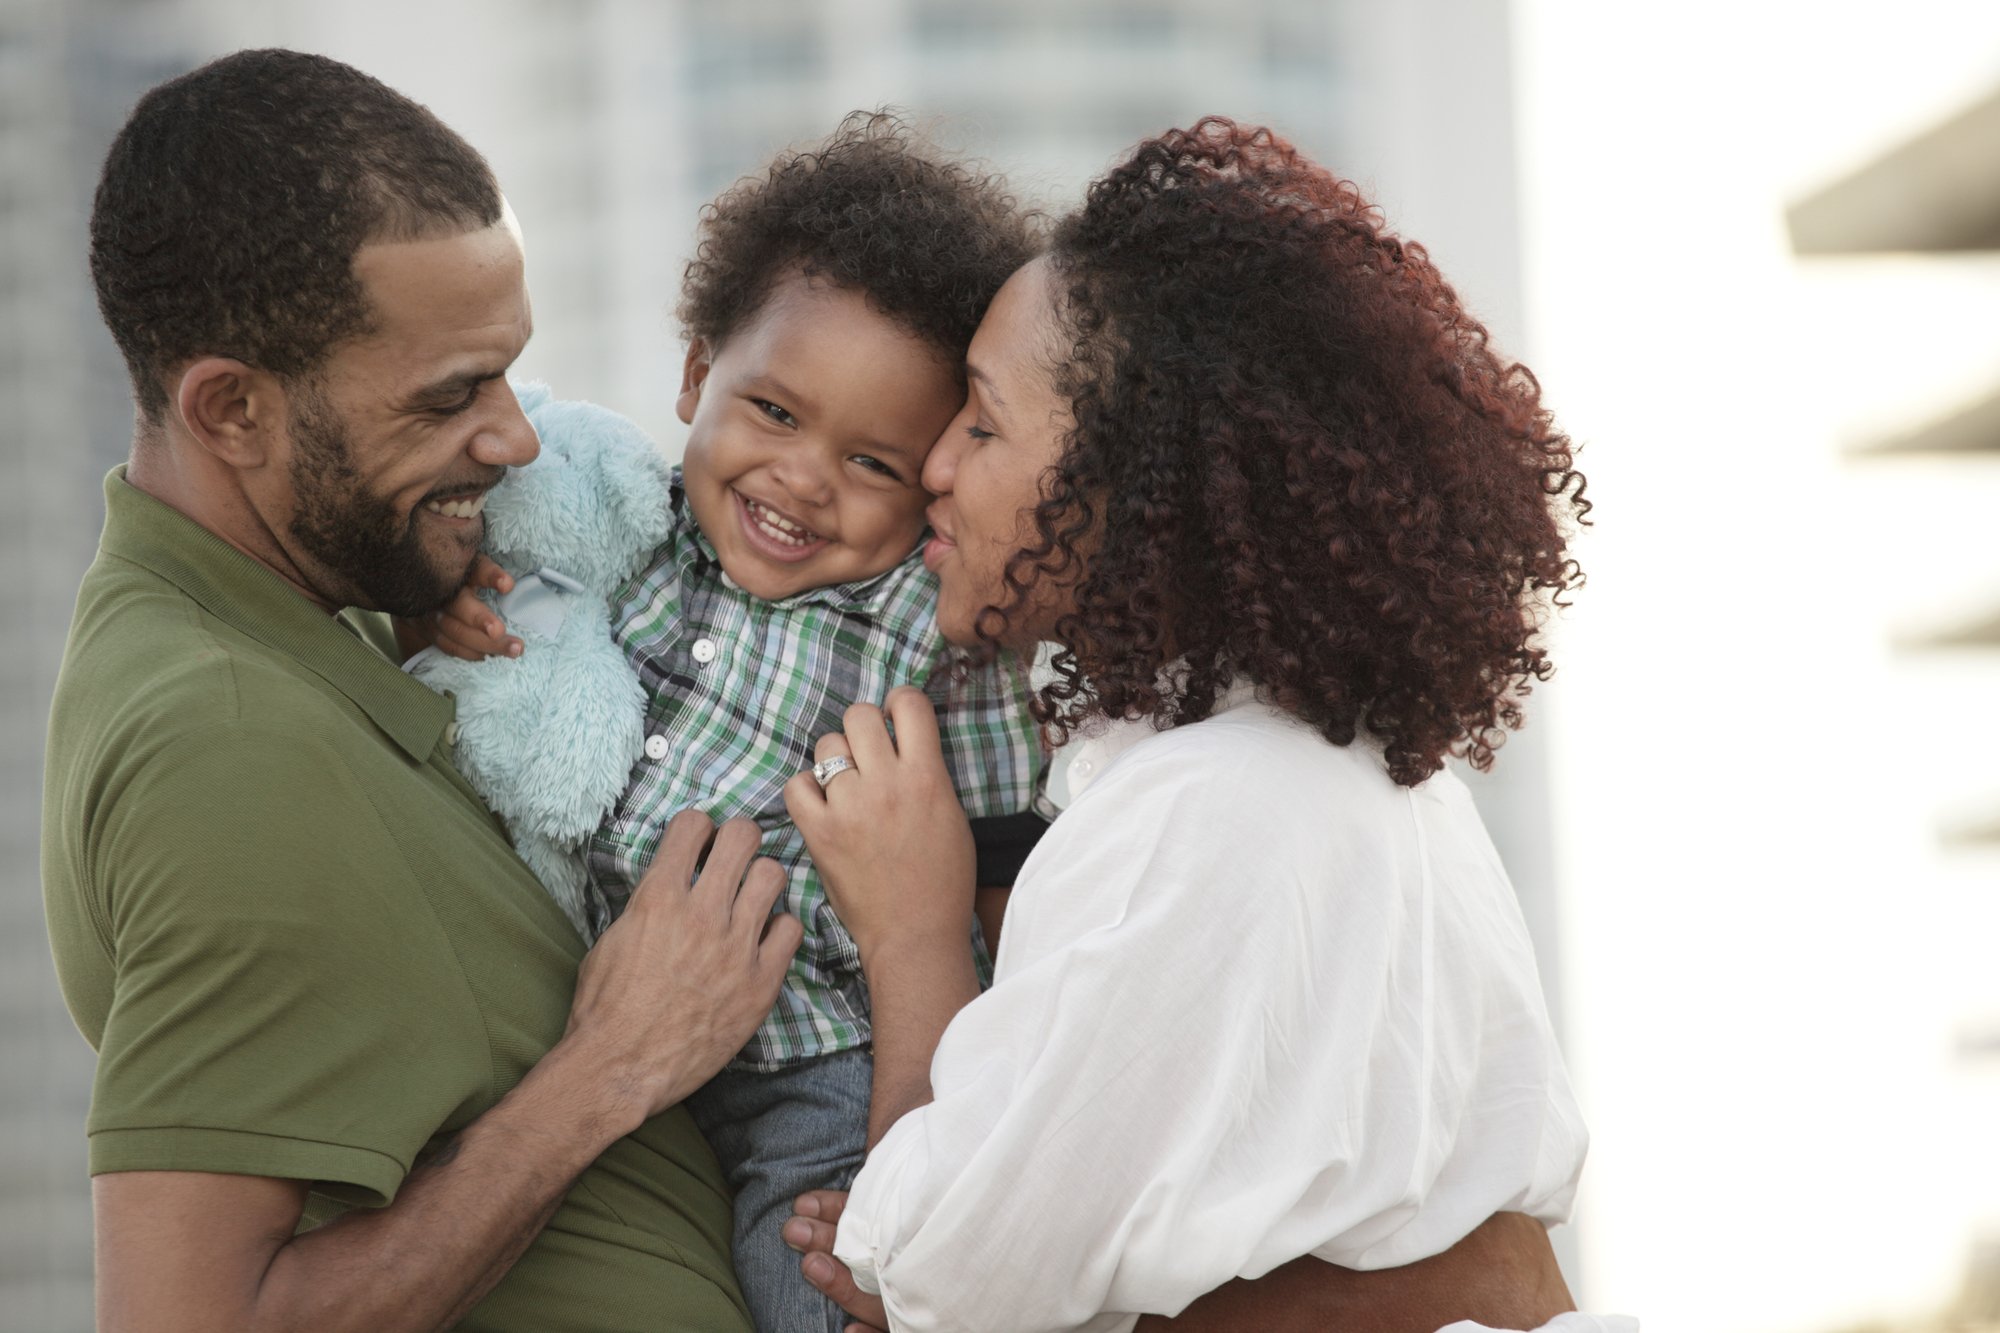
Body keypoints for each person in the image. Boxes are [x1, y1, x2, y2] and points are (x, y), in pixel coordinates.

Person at [779, 120, 1613, 1333]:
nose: (935, 468)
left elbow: (936, 1275)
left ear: (1126, 485)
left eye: (983, 420)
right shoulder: (1364, 777)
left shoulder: (1207, 807)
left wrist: (912, 932)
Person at [42, 49, 799, 1332]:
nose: (513, 436)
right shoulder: (224, 741)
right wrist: (609, 1069)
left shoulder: (301, 622)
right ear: (231, 409)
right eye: (450, 396)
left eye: (508, 371)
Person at [409, 115, 1045, 1332]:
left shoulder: (932, 628)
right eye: (773, 412)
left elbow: (1005, 848)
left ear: (933, 484)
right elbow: (490, 557)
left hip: (812, 1060)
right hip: (592, 1004)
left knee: (803, 1265)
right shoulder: (635, 535)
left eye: (872, 463)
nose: (804, 480)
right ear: (697, 376)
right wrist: (448, 603)